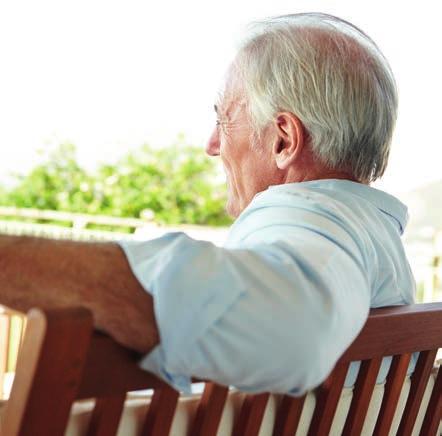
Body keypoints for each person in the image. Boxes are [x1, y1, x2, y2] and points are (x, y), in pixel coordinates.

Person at [0, 13, 415, 395]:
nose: (212, 145)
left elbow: (290, 332)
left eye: (223, 119)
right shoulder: (372, 237)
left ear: (284, 140)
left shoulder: (312, 217)